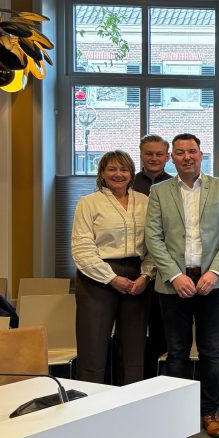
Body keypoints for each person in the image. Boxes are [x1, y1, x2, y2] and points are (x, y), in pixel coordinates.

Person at [145, 133, 219, 438]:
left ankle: (209, 412)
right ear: (172, 158)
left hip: (213, 282)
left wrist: (214, 272)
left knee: (211, 351)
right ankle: (179, 414)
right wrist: (175, 275)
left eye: (192, 151)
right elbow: (153, 237)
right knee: (177, 352)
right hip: (175, 285)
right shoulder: (159, 192)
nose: (187, 156)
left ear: (201, 154)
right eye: (180, 152)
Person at [71, 150, 153, 385]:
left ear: (132, 173)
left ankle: (131, 402)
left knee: (133, 349)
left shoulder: (145, 202)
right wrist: (111, 278)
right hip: (97, 279)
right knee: (93, 348)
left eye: (124, 169)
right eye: (112, 169)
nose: (118, 174)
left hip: (137, 279)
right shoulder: (88, 203)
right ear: (102, 174)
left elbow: (155, 243)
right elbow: (82, 248)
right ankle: (91, 403)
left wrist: (146, 276)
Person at [131, 134, 172, 378]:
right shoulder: (128, 184)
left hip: (165, 270)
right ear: (141, 155)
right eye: (149, 154)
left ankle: (160, 381)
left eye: (159, 154)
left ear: (167, 157)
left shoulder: (175, 186)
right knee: (133, 332)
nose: (154, 158)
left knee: (162, 331)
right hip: (133, 268)